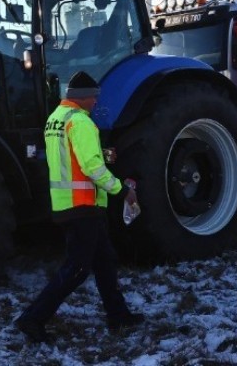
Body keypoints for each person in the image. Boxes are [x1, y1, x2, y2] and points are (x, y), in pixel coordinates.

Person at [15, 71, 144, 343]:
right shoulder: (82, 123)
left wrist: (102, 152)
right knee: (77, 269)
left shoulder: (56, 119)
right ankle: (32, 318)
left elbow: (72, 156)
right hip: (82, 205)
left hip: (68, 205)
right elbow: (92, 167)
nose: (96, 102)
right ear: (82, 97)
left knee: (105, 261)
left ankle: (118, 315)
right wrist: (123, 190)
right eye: (94, 97)